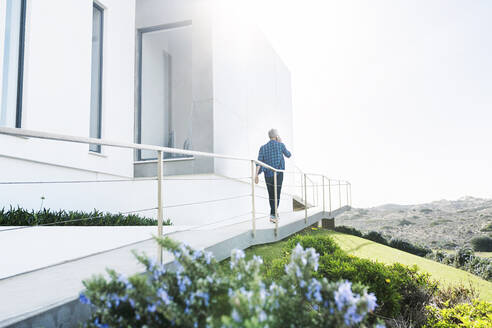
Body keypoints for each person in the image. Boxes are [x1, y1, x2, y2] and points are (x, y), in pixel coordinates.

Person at [255, 129, 292, 223]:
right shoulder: (280, 145)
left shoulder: (263, 147)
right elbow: (288, 155)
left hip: (268, 174)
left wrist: (256, 175)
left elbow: (258, 162)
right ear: (276, 136)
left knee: (271, 195)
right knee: (277, 194)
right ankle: (273, 215)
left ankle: (274, 214)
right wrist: (281, 142)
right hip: (278, 173)